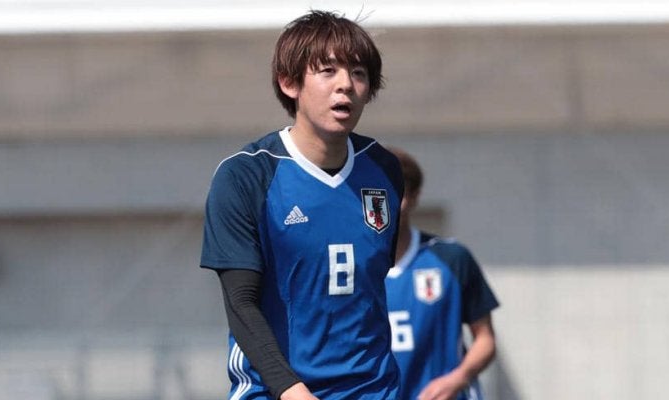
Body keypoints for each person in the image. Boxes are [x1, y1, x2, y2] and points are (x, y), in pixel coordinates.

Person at [200, 10, 403, 400]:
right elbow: (241, 304)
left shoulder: (383, 169)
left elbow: (370, 286)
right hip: (277, 392)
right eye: (328, 71)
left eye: (358, 73)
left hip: (374, 391)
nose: (346, 85)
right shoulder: (245, 176)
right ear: (289, 82)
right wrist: (291, 390)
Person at [385, 147, 500, 400]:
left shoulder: (451, 258)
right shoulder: (346, 267)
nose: (388, 204)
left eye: (397, 192)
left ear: (414, 196)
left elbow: (485, 339)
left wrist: (458, 378)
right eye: (379, 194)